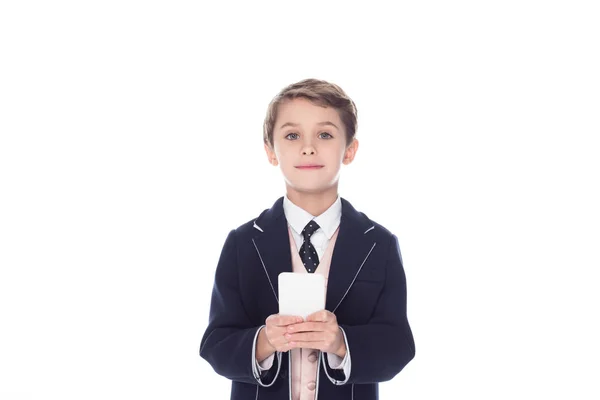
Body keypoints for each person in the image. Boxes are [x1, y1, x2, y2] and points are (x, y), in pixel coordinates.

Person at [199, 78, 415, 400]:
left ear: (350, 149)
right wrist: (264, 341)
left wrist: (341, 342)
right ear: (271, 152)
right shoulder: (243, 244)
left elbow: (398, 345)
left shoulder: (379, 245)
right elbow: (216, 343)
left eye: (325, 134)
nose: (308, 146)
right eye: (292, 135)